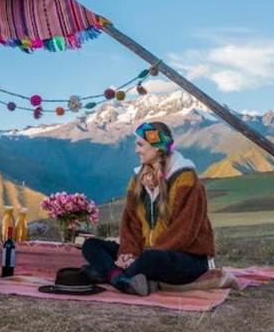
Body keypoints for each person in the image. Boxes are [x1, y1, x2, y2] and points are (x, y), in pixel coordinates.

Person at [81, 121, 215, 296]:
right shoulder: (137, 180)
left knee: (151, 259)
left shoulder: (186, 178)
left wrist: (142, 256)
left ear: (157, 147)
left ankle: (108, 274)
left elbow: (184, 231)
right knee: (91, 246)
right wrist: (128, 253)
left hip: (185, 257)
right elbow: (131, 224)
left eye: (140, 145)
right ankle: (123, 280)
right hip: (143, 253)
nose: (137, 151)